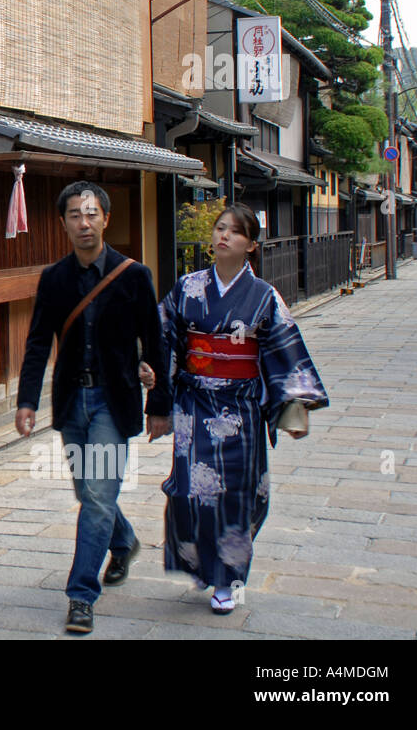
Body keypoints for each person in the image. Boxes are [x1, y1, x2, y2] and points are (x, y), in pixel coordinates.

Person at [146, 204, 328, 614]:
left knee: (237, 496)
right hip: (195, 403)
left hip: (240, 409)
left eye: (234, 231)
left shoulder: (264, 296)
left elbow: (284, 350)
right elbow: (164, 341)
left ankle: (226, 580)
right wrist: (158, 397)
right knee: (189, 492)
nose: (223, 236)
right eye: (219, 228)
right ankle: (200, 563)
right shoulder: (187, 287)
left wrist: (294, 407)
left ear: (251, 245)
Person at [16, 181, 168, 635]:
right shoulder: (55, 278)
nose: (84, 223)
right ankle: (123, 542)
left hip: (112, 399)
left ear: (106, 219)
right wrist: (27, 400)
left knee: (98, 497)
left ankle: (81, 595)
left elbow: (155, 342)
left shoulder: (133, 275)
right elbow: (39, 342)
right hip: (72, 402)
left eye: (92, 214)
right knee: (89, 495)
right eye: (75, 215)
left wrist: (160, 404)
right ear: (63, 223)